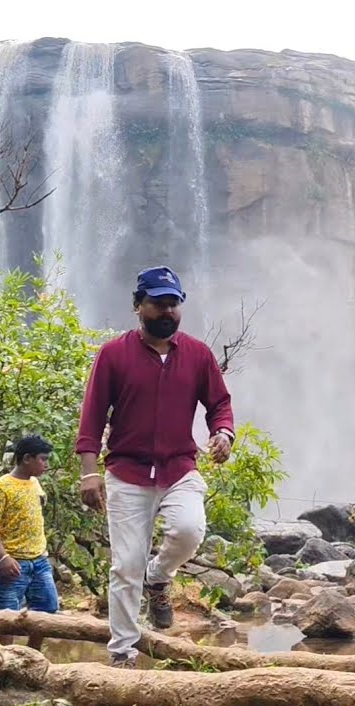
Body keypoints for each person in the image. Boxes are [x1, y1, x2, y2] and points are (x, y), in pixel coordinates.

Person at [77, 265, 235, 669]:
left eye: (173, 305)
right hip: (127, 473)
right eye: (158, 304)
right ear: (137, 306)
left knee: (189, 529)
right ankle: (123, 652)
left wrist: (223, 433)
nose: (167, 312)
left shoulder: (197, 354)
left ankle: (160, 574)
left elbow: (219, 403)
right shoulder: (113, 355)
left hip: (179, 467)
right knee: (124, 565)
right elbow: (93, 416)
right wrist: (89, 471)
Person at [0, 434, 59, 649]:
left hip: (39, 561)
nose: (46, 465)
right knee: (6, 620)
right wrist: (3, 558)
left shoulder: (35, 483)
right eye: (43, 459)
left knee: (47, 611)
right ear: (27, 459)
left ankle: (32, 658)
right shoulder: (1, 487)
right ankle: (2, 666)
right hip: (11, 563)